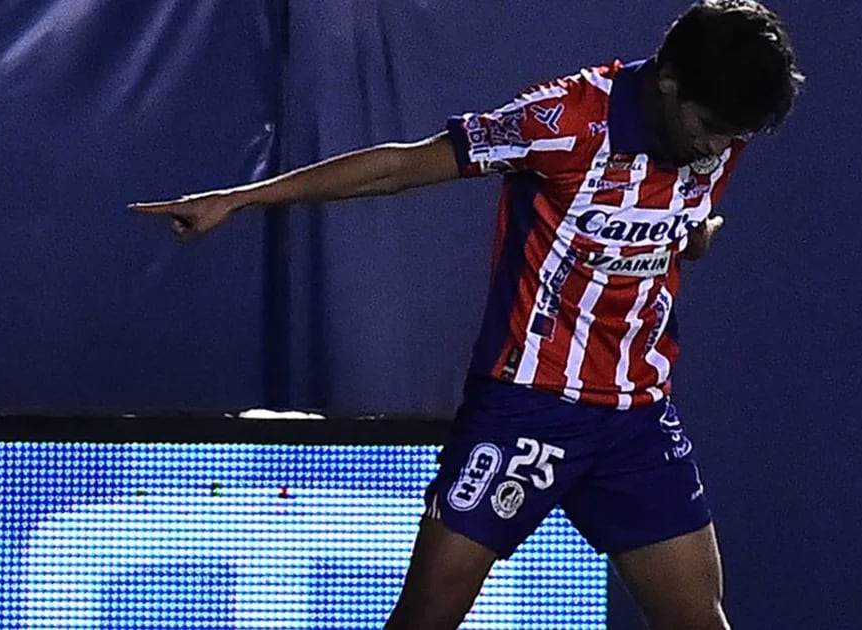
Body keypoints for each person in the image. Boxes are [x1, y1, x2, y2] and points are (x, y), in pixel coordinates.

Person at [131, 1, 803, 627]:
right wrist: (242, 199)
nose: (718, 146)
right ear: (668, 79)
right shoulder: (562, 120)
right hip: (527, 406)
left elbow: (680, 225)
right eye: (710, 127)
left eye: (734, 135)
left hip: (637, 417)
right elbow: (397, 167)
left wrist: (692, 234)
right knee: (427, 616)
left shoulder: (717, 136)